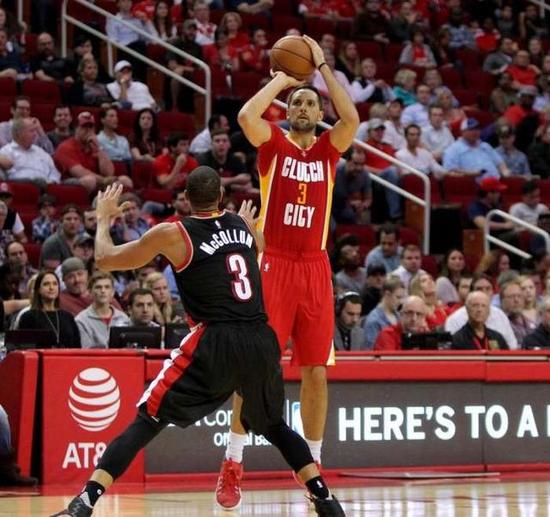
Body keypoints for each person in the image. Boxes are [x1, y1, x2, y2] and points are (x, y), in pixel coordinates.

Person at [51, 173, 346, 517]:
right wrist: (248, 228)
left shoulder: (174, 233)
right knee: (275, 426)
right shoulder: (242, 225)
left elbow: (105, 259)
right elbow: (260, 247)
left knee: (148, 419)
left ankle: (84, 503)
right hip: (260, 338)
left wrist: (103, 218)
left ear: (186, 200)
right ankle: (325, 499)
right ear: (221, 195)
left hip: (216, 338)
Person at [214, 34, 358, 510]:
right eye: (296, 101)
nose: (302, 105)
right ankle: (233, 463)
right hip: (273, 262)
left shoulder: (328, 151)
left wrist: (323, 70)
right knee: (258, 369)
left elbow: (352, 118)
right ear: (287, 108)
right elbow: (245, 117)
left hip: (315, 268)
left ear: (319, 113)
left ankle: (313, 469)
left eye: (309, 101)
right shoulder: (272, 144)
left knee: (315, 371)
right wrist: (284, 77)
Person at [445, 272, 518, 349]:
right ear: (471, 292)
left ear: (493, 292)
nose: (484, 292)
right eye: (479, 289)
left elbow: (512, 347)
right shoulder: (455, 319)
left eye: (488, 289)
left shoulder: (500, 316)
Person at [16, 270, 80, 348]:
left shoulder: (68, 317)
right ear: (38, 289)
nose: (51, 287)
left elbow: (77, 347)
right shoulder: (28, 317)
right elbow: (24, 349)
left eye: (55, 284)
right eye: (46, 284)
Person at [75, 271, 130, 349]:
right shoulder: (81, 320)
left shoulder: (123, 318)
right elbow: (86, 351)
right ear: (90, 292)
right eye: (98, 287)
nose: (103, 291)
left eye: (107, 287)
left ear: (113, 292)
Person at [0, 117, 61, 185]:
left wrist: (52, 181)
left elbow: (54, 172)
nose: (35, 134)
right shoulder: (6, 151)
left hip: (46, 187)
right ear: (19, 133)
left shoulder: (41, 152)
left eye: (35, 131)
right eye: (31, 131)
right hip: (21, 187)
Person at [363, 275, 406, 349]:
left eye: (402, 298)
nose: (400, 302)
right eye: (398, 297)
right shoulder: (373, 320)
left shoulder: (399, 316)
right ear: (387, 294)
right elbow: (370, 349)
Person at [40, 204, 82, 269]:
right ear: (61, 222)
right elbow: (54, 272)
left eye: (76, 219)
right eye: (68, 219)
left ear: (80, 222)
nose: (72, 222)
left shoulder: (83, 240)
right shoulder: (52, 243)